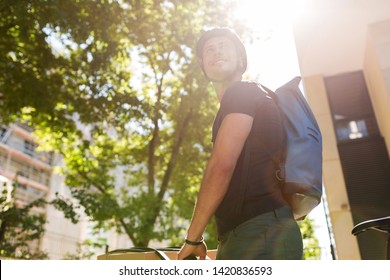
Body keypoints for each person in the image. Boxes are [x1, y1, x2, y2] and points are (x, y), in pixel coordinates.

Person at [177, 27, 303, 260]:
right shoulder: (252, 96)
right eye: (209, 49)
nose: (217, 52)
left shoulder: (242, 92)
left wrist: (193, 238)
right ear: (203, 66)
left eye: (224, 46)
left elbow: (222, 166)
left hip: (257, 233)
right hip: (259, 230)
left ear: (241, 60)